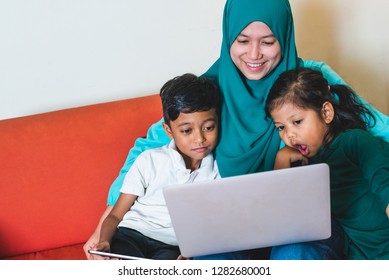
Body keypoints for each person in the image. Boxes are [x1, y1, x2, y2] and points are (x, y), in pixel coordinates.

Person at [84, 0, 389, 260]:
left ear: (284, 36)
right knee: (208, 258)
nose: (254, 55)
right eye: (242, 41)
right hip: (232, 228)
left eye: (268, 41)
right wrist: (106, 224)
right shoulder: (210, 89)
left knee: (295, 254)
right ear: (228, 36)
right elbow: (151, 144)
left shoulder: (310, 80)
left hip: (297, 227)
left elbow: (379, 130)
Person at [90, 73, 221, 260]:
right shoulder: (149, 160)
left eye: (208, 127)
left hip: (171, 246)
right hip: (131, 236)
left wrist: (188, 255)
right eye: (186, 131)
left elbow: (209, 225)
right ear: (169, 130)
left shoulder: (217, 171)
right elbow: (115, 216)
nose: (199, 138)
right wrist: (105, 240)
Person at [265, 67, 389, 260]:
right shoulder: (306, 164)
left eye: (297, 122)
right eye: (281, 127)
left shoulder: (356, 142)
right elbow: (282, 219)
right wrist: (280, 163)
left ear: (326, 112)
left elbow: (386, 188)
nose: (289, 135)